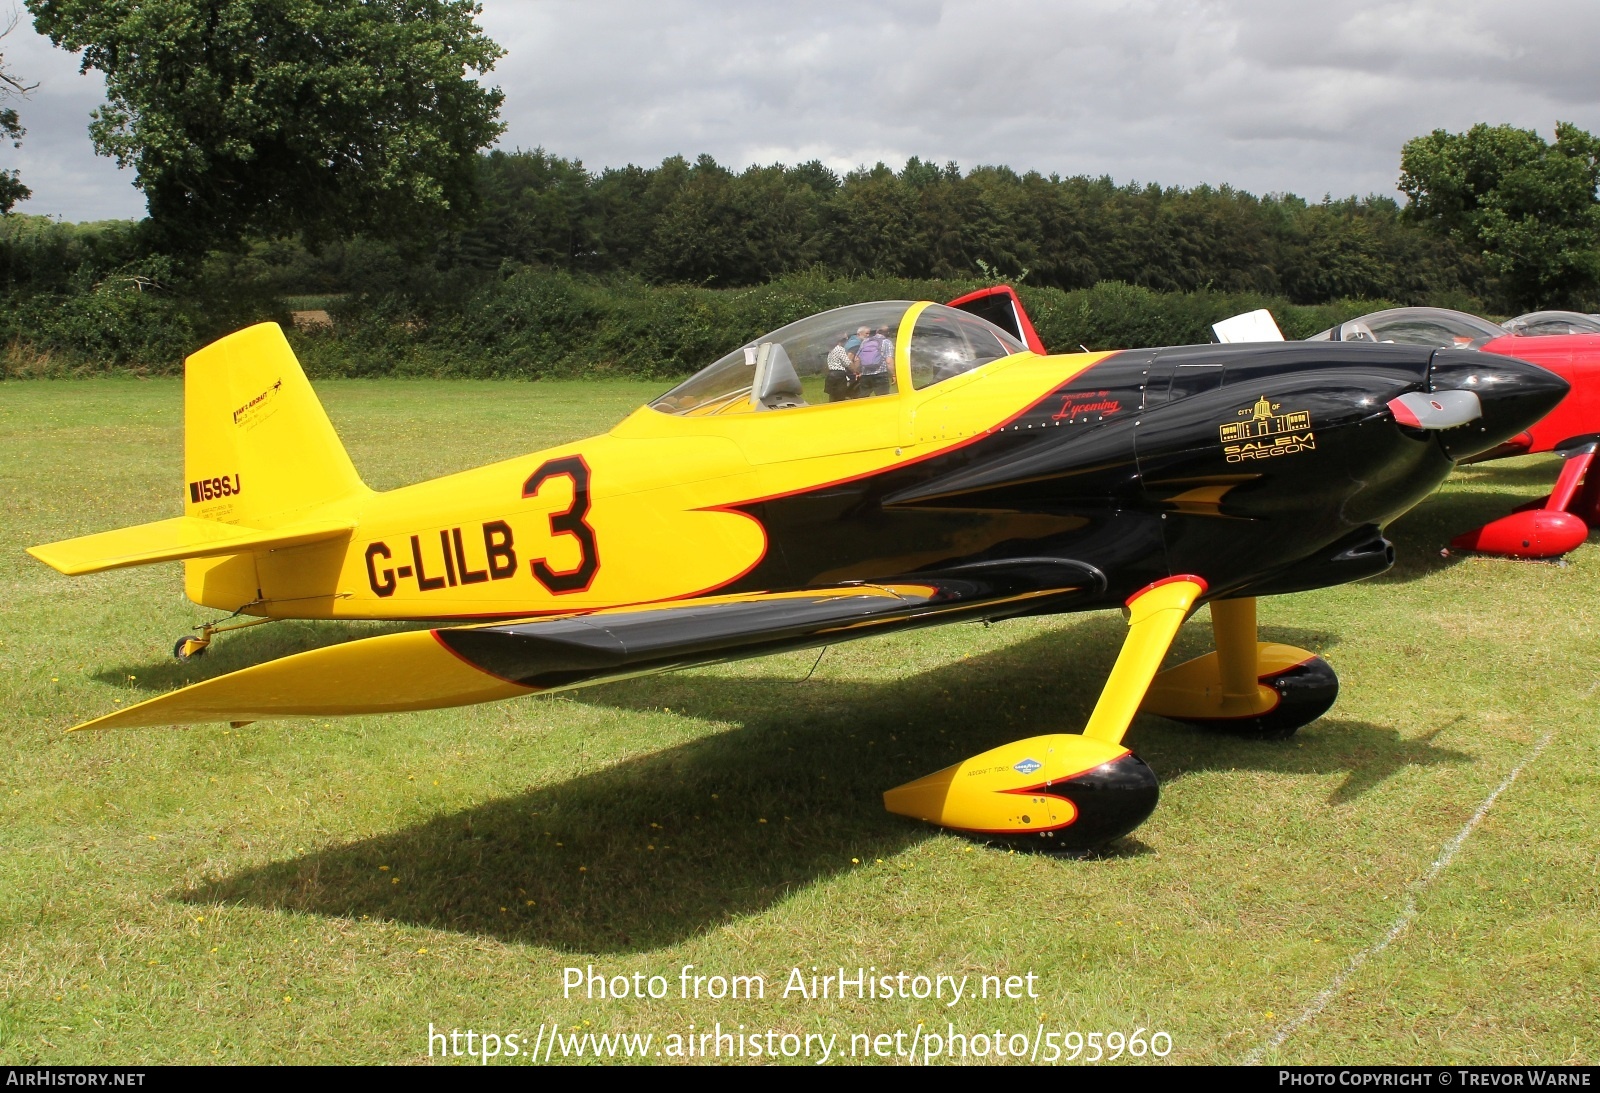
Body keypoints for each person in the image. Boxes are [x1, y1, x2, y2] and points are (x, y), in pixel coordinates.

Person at [855, 325, 893, 397]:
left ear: (876, 331)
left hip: (865, 375)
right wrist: (893, 374)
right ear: (887, 332)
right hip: (880, 374)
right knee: (883, 400)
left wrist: (857, 372)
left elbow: (857, 359)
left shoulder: (865, 341)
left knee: (863, 399)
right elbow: (889, 361)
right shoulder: (887, 342)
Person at [824, 332, 854, 402]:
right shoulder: (839, 349)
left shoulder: (831, 349)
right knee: (840, 396)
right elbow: (847, 362)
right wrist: (855, 370)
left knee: (832, 397)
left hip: (831, 375)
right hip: (839, 375)